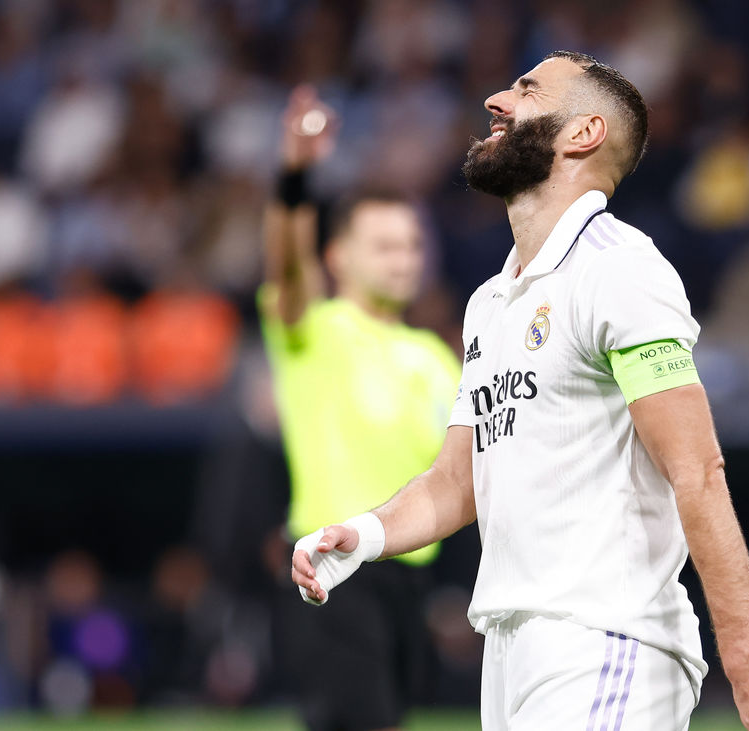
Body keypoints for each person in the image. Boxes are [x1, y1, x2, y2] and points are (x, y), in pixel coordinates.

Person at [290, 52, 749, 731]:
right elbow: (456, 481)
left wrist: (747, 660)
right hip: (510, 650)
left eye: (527, 90)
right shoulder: (490, 301)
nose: (496, 99)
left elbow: (696, 471)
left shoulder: (620, 269)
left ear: (583, 133)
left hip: (605, 640)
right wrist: (364, 535)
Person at [260, 87, 461, 730]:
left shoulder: (436, 356)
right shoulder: (315, 330)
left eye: (411, 245)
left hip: (411, 575)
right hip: (333, 567)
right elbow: (287, 267)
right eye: (384, 246)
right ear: (337, 256)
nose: (404, 260)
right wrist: (296, 175)